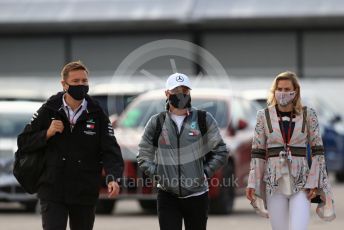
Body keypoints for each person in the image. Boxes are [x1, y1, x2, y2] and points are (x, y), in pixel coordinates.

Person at [17, 61, 124, 230]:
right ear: (64, 84)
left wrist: (113, 177)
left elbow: (110, 149)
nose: (81, 85)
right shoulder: (49, 109)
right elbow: (24, 142)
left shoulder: (97, 112)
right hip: (52, 188)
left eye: (84, 81)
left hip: (84, 190)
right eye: (76, 81)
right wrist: (47, 133)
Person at [137, 73, 228, 230]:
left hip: (197, 196)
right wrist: (159, 175)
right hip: (167, 196)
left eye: (185, 91)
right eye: (176, 91)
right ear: (167, 93)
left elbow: (221, 151)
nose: (181, 95)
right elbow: (144, 155)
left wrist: (204, 173)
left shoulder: (203, 119)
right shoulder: (156, 122)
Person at [246, 71, 336, 230]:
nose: (283, 93)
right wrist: (253, 182)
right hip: (274, 183)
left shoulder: (309, 115)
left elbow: (318, 152)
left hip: (302, 182)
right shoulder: (264, 115)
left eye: (287, 89)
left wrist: (315, 182)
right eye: (279, 89)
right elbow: (257, 152)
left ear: (296, 91)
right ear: (274, 91)